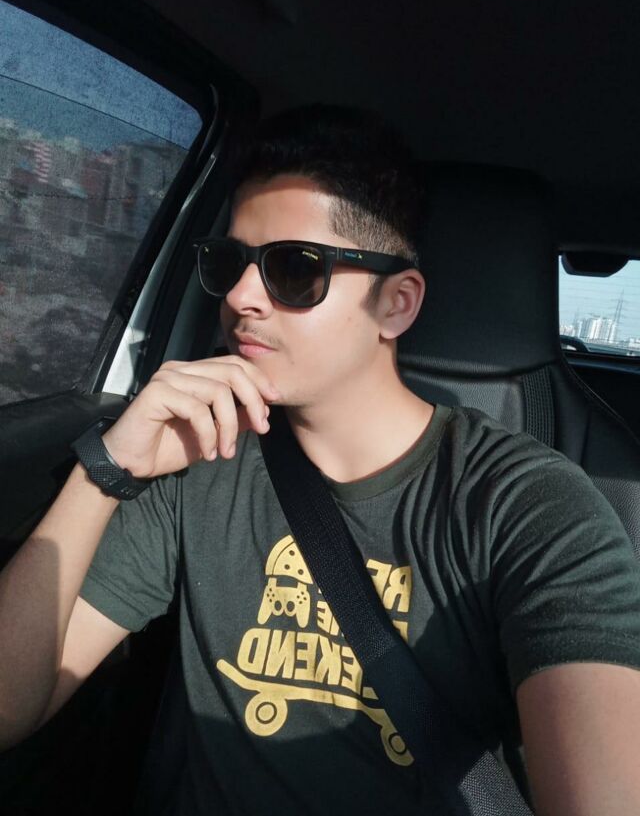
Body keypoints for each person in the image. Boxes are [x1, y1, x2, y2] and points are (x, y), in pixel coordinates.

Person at [1, 104, 640, 816]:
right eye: (229, 264)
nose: (240, 297)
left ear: (395, 305)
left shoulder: (528, 507)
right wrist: (106, 468)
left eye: (293, 269)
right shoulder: (197, 460)